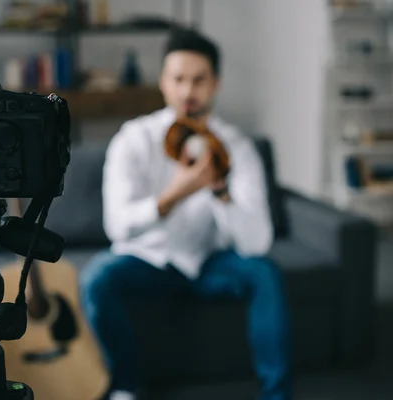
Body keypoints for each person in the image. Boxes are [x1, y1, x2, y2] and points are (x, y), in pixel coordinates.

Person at [79, 28, 292, 400]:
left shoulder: (237, 147)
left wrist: (220, 190)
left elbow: (257, 242)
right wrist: (176, 192)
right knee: (96, 278)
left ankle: (277, 395)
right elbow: (117, 228)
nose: (187, 91)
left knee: (265, 274)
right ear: (163, 82)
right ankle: (126, 386)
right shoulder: (133, 138)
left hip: (210, 261)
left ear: (216, 84)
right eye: (178, 79)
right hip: (148, 260)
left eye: (198, 80)